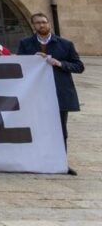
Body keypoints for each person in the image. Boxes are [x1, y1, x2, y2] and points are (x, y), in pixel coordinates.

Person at [17, 13, 84, 175]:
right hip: (36, 94)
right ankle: (36, 161)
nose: (41, 25)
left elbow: (79, 66)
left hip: (59, 92)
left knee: (60, 129)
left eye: (44, 22)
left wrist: (59, 63)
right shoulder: (26, 44)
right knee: (36, 128)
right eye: (38, 23)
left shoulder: (65, 44)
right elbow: (19, 64)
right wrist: (32, 59)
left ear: (49, 24)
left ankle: (61, 162)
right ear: (33, 26)